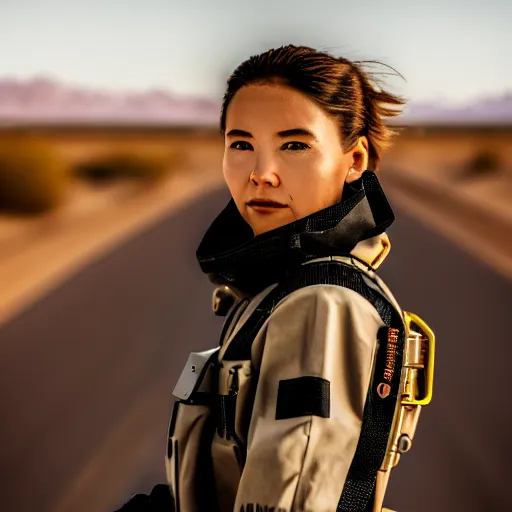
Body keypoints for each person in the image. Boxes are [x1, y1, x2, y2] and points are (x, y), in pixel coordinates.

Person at [115, 44, 434, 512]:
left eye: (295, 145)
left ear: (355, 160)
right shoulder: (284, 289)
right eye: (241, 144)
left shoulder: (320, 305)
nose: (262, 174)